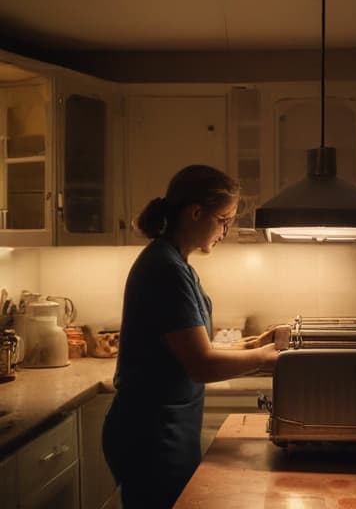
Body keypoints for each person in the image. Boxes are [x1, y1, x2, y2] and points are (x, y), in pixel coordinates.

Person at [102, 164, 280, 509]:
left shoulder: (176, 264)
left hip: (165, 428)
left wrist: (256, 343)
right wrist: (269, 357)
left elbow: (195, 348)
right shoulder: (165, 270)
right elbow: (202, 365)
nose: (226, 230)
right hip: (151, 434)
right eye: (224, 219)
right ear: (196, 212)